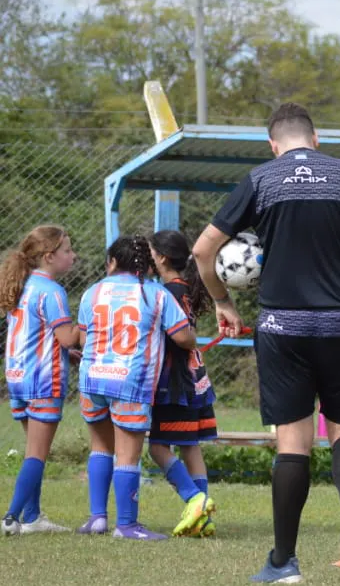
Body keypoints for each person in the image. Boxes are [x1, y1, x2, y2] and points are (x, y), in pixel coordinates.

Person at [192, 102, 340, 584]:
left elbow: (203, 251)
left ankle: (283, 561)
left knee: (293, 441)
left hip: (283, 327)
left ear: (273, 144)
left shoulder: (261, 179)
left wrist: (223, 302)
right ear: (316, 138)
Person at [77, 235, 197, 539]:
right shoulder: (155, 294)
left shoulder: (93, 292)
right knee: (127, 456)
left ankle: (97, 518)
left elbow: (81, 339)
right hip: (131, 381)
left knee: (101, 447)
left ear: (113, 262)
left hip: (92, 378)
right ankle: (127, 524)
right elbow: (183, 338)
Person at [1, 225, 78, 535]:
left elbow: (41, 336)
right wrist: (91, 320)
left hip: (18, 376)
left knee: (33, 448)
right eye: (67, 251)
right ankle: (10, 518)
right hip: (44, 379)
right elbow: (67, 337)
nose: (73, 256)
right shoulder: (52, 291)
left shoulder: (22, 285)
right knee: (37, 453)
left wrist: (64, 350)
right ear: (49, 257)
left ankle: (32, 518)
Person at [148, 230, 218, 538]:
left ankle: (195, 500)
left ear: (161, 258)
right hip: (195, 377)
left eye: (150, 252)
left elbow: (174, 337)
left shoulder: (167, 292)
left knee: (158, 447)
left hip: (175, 380)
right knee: (190, 446)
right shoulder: (185, 288)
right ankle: (203, 519)